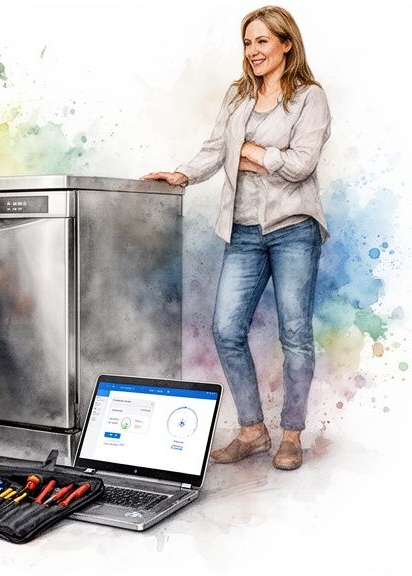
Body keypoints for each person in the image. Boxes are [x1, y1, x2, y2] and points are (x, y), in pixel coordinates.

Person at [143, 6, 330, 471]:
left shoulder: (309, 98)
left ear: (287, 43)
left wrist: (247, 152)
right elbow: (215, 150)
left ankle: (291, 435)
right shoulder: (238, 96)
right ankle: (252, 431)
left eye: (262, 41)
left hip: (293, 230)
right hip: (243, 232)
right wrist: (182, 174)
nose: (253, 52)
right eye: (248, 43)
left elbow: (303, 163)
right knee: (226, 330)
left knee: (295, 336)